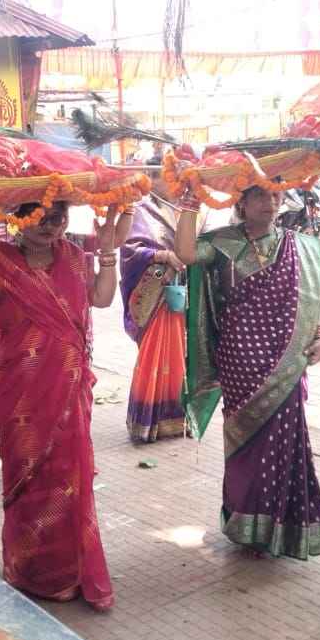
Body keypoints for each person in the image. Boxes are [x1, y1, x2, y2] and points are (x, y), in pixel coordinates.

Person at [0, 163, 127, 611]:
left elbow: (102, 298)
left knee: (70, 479)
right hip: (21, 396)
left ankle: (69, 570)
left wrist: (109, 251)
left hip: (71, 395)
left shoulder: (74, 257)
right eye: (38, 215)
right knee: (27, 478)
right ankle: (31, 569)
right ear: (17, 216)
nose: (49, 225)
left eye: (57, 216)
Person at [176, 183, 320, 560]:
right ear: (241, 202)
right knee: (246, 446)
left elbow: (310, 300)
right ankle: (245, 523)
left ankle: (282, 527)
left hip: (287, 360)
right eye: (261, 195)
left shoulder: (301, 245)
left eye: (277, 195)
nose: (271, 202)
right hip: (240, 361)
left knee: (284, 443)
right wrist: (191, 201)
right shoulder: (222, 242)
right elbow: (186, 253)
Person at [120, 165, 207, 442]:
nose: (175, 185)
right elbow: (129, 249)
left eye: (180, 180)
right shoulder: (141, 209)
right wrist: (164, 257)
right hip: (155, 294)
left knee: (184, 356)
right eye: (170, 178)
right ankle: (147, 421)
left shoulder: (192, 209)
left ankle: (179, 418)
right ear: (154, 179)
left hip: (185, 293)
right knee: (154, 355)